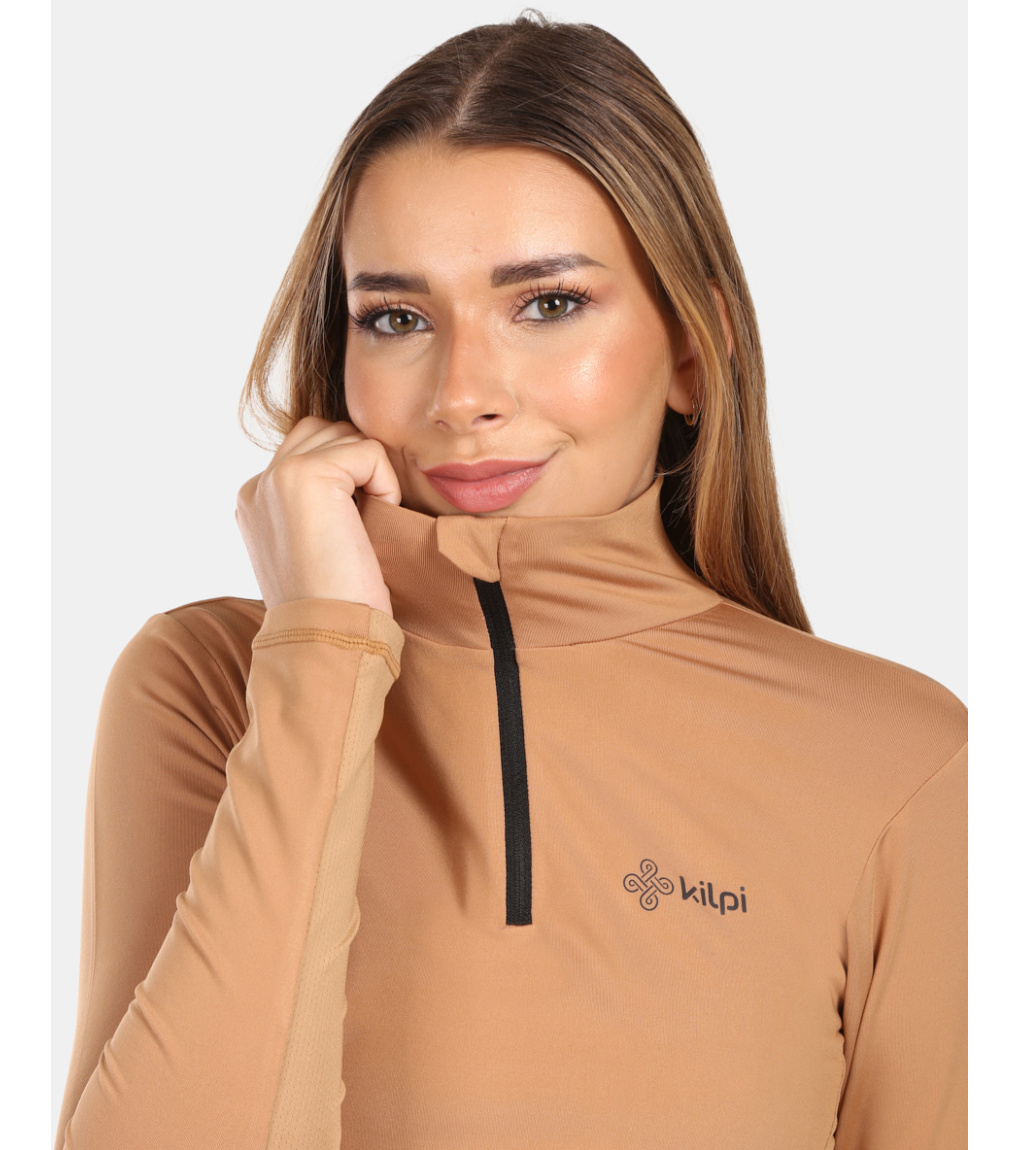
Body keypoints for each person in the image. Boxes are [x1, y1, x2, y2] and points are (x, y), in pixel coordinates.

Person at [54, 12, 966, 1149]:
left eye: (548, 304)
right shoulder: (205, 688)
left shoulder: (900, 760)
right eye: (397, 318)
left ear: (693, 351)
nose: (463, 395)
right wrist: (323, 655)